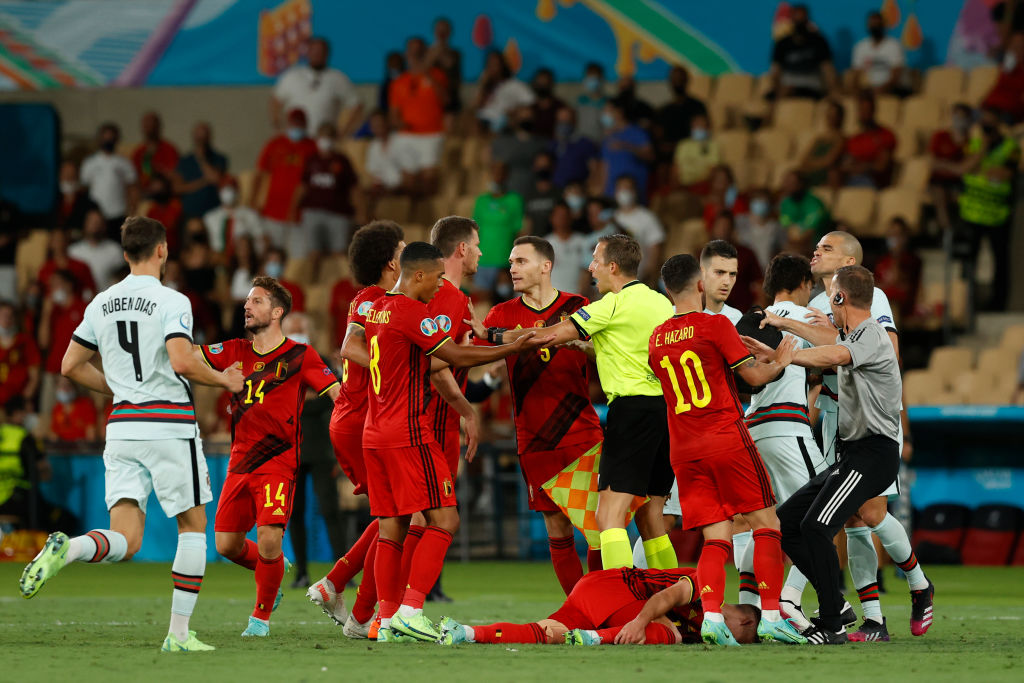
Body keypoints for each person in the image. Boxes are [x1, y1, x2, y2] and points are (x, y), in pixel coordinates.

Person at [20, 216, 244, 653]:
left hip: (121, 429)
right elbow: (181, 360)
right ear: (162, 250)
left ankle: (71, 550)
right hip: (168, 425)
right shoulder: (172, 299)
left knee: (126, 539)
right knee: (193, 526)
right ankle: (179, 635)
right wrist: (224, 380)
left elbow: (68, 365)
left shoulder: (100, 302)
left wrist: (118, 387)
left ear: (124, 254)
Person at [358, 241, 549, 642]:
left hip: (373, 433)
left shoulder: (373, 307)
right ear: (419, 275)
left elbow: (357, 348)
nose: (439, 287)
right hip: (408, 432)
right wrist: (511, 346)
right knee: (446, 518)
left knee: (391, 527)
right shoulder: (413, 311)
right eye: (437, 279)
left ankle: (386, 619)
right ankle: (411, 609)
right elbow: (455, 358)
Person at [765, 231, 932, 642]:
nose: (814, 253)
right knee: (809, 520)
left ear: (846, 268)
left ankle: (912, 587)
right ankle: (851, 611)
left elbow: (856, 351)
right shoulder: (822, 305)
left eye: (825, 248)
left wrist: (788, 350)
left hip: (872, 440)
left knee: (863, 517)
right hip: (840, 427)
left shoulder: (867, 303)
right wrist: (787, 329)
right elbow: (834, 351)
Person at [649, 254, 805, 646]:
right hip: (724, 438)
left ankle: (713, 618)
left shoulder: (655, 337)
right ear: (700, 284)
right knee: (767, 524)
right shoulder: (715, 324)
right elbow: (751, 376)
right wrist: (781, 362)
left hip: (684, 449)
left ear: (667, 290)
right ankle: (771, 614)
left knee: (716, 536)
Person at [503, 235, 676, 571]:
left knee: (608, 516)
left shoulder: (610, 304)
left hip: (631, 412)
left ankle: (619, 605)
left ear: (613, 266)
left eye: (596, 260)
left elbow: (548, 335)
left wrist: (490, 334)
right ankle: (677, 606)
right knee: (652, 517)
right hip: (664, 413)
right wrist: (584, 349)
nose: (590, 267)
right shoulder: (660, 303)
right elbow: (625, 348)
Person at [202, 277, 340, 637]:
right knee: (225, 545)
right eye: (247, 301)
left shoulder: (300, 356)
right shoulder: (232, 350)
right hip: (240, 461)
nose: (247, 306)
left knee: (268, 537)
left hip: (279, 461)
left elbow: (339, 396)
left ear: (277, 311)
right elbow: (186, 357)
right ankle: (274, 566)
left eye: (257, 301)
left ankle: (260, 618)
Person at [475, 236, 602, 594]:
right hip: (534, 436)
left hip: (581, 431)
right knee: (557, 526)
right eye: (512, 262)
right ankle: (580, 611)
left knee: (595, 528)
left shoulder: (578, 306)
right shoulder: (500, 314)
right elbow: (477, 357)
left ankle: (601, 604)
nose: (512, 268)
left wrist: (581, 342)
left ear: (546, 266)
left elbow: (604, 352)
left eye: (521, 262)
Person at [308, 221, 406, 636]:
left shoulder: (372, 298)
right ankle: (361, 605)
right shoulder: (374, 299)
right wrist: (395, 365)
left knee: (397, 515)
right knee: (398, 516)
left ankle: (354, 605)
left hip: (356, 416)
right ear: (390, 262)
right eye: (403, 249)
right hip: (361, 417)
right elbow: (350, 347)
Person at [737, 254, 827, 625]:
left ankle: (749, 607)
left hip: (752, 428)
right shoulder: (800, 316)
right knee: (826, 511)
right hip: (786, 429)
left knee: (761, 523)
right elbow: (841, 346)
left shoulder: (752, 318)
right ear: (804, 283)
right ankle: (790, 598)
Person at [439, 567, 758, 646]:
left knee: (547, 632)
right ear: (743, 623)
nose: (723, 639)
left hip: (590, 591)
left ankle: (466, 631)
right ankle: (595, 637)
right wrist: (637, 624)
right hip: (613, 589)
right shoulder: (706, 583)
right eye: (735, 638)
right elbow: (662, 599)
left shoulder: (703, 631)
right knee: (667, 631)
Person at [280, 313, 345, 589]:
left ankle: (344, 571)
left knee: (331, 510)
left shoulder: (322, 362)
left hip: (320, 449)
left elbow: (333, 402)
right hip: (292, 449)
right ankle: (302, 573)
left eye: (301, 328)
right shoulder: (279, 363)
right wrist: (314, 396)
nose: (297, 333)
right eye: (292, 329)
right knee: (294, 513)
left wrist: (300, 399)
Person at [956, 106, 1019, 313]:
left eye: (990, 124)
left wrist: (979, 169)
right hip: (971, 213)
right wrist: (983, 149)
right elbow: (965, 168)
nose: (986, 127)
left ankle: (997, 305)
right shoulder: (974, 143)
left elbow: (1005, 174)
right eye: (984, 123)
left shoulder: (1011, 147)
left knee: (1000, 263)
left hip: (997, 216)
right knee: (967, 263)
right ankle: (966, 303)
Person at [252, 108, 318, 249]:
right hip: (272, 211)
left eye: (299, 124)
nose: (296, 127)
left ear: (305, 125)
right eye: (293, 123)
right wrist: (254, 200)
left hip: (300, 215)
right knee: (270, 253)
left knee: (298, 257)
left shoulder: (312, 147)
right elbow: (259, 174)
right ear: (288, 124)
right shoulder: (274, 144)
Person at [292, 122, 357, 264]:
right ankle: (312, 284)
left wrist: (361, 211)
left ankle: (341, 284)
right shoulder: (311, 160)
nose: (325, 140)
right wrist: (293, 208)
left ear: (334, 139)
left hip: (338, 213)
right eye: (322, 136)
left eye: (328, 136)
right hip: (312, 212)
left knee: (338, 254)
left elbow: (354, 188)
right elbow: (303, 186)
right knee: (313, 253)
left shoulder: (343, 161)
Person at [389, 36, 448, 193]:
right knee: (407, 181)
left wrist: (426, 71)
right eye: (412, 51)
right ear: (406, 54)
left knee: (429, 181)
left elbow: (446, 100)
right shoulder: (399, 82)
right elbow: (394, 113)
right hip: (406, 136)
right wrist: (398, 123)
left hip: (431, 134)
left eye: (419, 52)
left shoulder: (437, 76)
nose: (415, 55)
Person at [272, 36, 363, 136]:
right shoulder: (292, 76)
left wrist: (343, 132)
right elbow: (275, 102)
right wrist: (279, 127)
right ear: (308, 52)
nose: (317, 55)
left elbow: (356, 105)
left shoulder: (338, 78)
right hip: (296, 141)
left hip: (323, 141)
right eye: (314, 51)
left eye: (321, 51)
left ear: (327, 54)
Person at [472, 162, 524, 296]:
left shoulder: (515, 200)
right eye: (495, 172)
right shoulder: (481, 201)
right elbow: (474, 232)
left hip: (505, 261)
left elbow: (519, 231)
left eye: (502, 173)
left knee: (506, 302)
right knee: (482, 305)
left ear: (507, 175)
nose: (498, 176)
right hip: (483, 260)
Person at [769, 3, 837, 99]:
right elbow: (775, 71)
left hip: (812, 87)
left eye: (802, 17)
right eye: (796, 17)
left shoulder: (818, 41)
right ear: (791, 19)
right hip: (787, 88)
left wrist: (832, 90)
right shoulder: (782, 44)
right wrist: (777, 89)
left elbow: (827, 69)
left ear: (807, 19)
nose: (799, 20)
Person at [80, 122, 137, 235]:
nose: (108, 140)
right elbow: (83, 188)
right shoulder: (89, 163)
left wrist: (132, 211)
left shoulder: (124, 163)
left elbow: (132, 188)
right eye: (105, 137)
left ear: (116, 139)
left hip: (118, 214)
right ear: (99, 139)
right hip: (96, 215)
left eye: (111, 138)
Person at [612, 176, 664, 285]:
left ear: (635, 191)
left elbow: (655, 250)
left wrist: (648, 277)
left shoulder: (647, 217)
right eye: (621, 189)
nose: (624, 192)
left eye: (628, 188)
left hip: (640, 280)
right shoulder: (611, 218)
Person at [928, 103, 972, 232]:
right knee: (940, 194)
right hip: (938, 180)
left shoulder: (970, 141)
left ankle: (962, 231)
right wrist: (955, 167)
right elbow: (933, 163)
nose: (959, 121)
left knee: (959, 195)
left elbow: (965, 168)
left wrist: (945, 164)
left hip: (960, 181)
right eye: (957, 117)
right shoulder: (940, 136)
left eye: (963, 118)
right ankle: (947, 231)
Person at [600, 99, 654, 201]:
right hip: (611, 194)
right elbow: (605, 167)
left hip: (634, 193)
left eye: (608, 111)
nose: (605, 114)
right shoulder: (608, 138)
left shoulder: (638, 133)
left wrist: (627, 146)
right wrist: (603, 191)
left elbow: (650, 156)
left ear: (619, 112)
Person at [491, 106, 549, 200]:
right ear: (517, 119)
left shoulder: (541, 143)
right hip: (508, 191)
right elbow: (497, 167)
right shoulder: (502, 142)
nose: (526, 120)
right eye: (523, 117)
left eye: (529, 118)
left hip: (533, 192)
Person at [654, 65, 708, 164]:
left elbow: (702, 132)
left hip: (692, 153)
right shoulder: (664, 110)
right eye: (674, 79)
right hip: (668, 156)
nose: (677, 81)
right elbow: (658, 136)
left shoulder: (697, 106)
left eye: (680, 78)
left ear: (687, 80)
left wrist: (681, 147)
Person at [174, 122, 228, 220]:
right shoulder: (184, 161)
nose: (201, 141)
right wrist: (203, 181)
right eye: (199, 137)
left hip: (214, 212)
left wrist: (201, 158)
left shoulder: (219, 158)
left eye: (204, 137)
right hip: (190, 214)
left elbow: (215, 179)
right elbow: (178, 188)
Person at [708, 218, 763, 314]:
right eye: (720, 227)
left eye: (726, 227)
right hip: (712, 315)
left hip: (742, 313)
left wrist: (758, 312)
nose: (723, 230)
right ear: (713, 229)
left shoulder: (746, 254)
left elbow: (759, 284)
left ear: (733, 229)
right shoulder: (703, 255)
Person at [841, 92, 896, 188]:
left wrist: (861, 166)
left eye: (867, 109)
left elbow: (881, 167)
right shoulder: (854, 139)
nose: (865, 113)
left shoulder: (885, 135)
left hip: (872, 181)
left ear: (874, 110)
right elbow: (845, 165)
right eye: (862, 110)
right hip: (849, 179)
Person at [474, 50, 535, 133]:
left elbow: (531, 102)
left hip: (500, 122)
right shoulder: (485, 85)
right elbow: (474, 106)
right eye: (489, 65)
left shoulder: (514, 85)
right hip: (481, 119)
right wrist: (482, 85)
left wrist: (514, 111)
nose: (492, 69)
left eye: (495, 65)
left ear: (503, 66)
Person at [874, 217, 922, 321]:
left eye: (897, 234)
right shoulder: (882, 260)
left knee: (891, 309)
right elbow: (876, 286)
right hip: (881, 304)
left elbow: (898, 280)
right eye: (891, 234)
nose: (894, 239)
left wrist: (896, 256)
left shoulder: (911, 260)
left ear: (905, 237)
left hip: (901, 307)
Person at [202, 177, 264, 255]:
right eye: (224, 188)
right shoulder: (209, 217)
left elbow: (260, 238)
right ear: (218, 191)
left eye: (231, 188)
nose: (228, 192)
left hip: (243, 259)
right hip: (217, 259)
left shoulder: (250, 214)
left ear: (238, 191)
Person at [851, 11, 907, 95]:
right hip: (869, 89)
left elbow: (896, 76)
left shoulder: (894, 45)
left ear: (883, 26)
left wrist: (880, 90)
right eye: (872, 25)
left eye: (878, 25)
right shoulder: (860, 47)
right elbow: (856, 75)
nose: (875, 27)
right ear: (868, 26)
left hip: (892, 89)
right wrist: (855, 89)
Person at [69, 209, 124, 291]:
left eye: (98, 222)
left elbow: (122, 279)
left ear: (104, 225)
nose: (95, 225)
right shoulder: (73, 251)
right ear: (85, 224)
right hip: (81, 301)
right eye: (92, 221)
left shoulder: (114, 250)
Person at [365, 109, 416, 194]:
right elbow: (374, 173)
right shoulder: (373, 147)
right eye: (374, 125)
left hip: (401, 189)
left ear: (387, 123)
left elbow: (409, 174)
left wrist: (397, 188)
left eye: (379, 124)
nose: (377, 127)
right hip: (384, 190)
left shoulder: (401, 141)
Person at [779, 170, 831, 255]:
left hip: (815, 244)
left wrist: (796, 245)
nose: (788, 186)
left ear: (801, 184)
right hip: (793, 244)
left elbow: (810, 231)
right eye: (786, 182)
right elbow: (785, 225)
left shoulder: (814, 203)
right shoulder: (785, 203)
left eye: (792, 183)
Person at [797, 99, 845, 188]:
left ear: (840, 118)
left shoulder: (840, 139)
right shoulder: (819, 138)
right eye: (829, 114)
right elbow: (804, 159)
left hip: (823, 176)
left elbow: (829, 161)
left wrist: (811, 164)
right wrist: (814, 164)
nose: (831, 118)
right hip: (810, 173)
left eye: (834, 115)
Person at [0, 302, 40, 410]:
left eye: (10, 316)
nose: (6, 320)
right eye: (3, 315)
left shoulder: (25, 341)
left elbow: (34, 376)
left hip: (18, 401)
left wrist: (24, 401)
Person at [736, 189, 785, 271]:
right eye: (758, 200)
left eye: (764, 202)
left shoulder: (776, 227)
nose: (761, 204)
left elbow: (783, 249)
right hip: (744, 270)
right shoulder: (740, 222)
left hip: (766, 271)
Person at [551, 106, 600, 189]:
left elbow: (595, 169)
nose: (563, 124)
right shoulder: (552, 144)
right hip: (556, 189)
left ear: (574, 121)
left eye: (567, 121)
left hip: (578, 190)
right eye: (561, 121)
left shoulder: (585, 143)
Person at [545, 203, 588, 294]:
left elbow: (587, 272)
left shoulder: (583, 241)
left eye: (565, 215)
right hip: (553, 301)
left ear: (571, 217)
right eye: (559, 215)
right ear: (551, 218)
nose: (562, 219)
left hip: (577, 299)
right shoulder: (544, 244)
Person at [982, 31, 1024, 123]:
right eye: (1013, 44)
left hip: (1008, 111)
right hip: (990, 106)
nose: (1015, 48)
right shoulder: (1006, 66)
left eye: (1019, 45)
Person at [672, 113, 719, 194]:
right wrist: (676, 186)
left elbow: (713, 168)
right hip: (684, 185)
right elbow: (676, 167)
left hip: (704, 185)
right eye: (696, 125)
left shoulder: (713, 146)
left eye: (701, 125)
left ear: (707, 128)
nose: (698, 128)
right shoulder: (683, 144)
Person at [131, 111, 180, 189]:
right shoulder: (138, 152)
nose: (149, 128)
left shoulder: (169, 149)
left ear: (158, 126)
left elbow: (175, 175)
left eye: (152, 124)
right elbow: (136, 178)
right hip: (145, 194)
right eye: (146, 125)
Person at [426, 17, 462, 120]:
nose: (441, 33)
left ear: (450, 32)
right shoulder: (427, 52)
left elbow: (449, 64)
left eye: (444, 30)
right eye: (439, 30)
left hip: (450, 99)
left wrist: (441, 50)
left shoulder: (456, 54)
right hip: (430, 98)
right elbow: (423, 70)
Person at [700, 240, 742, 324]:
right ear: (702, 273)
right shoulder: (672, 315)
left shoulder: (737, 318)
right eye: (720, 272)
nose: (727, 282)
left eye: (732, 274)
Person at [48, 376, 98, 442]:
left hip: (82, 449)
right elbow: (53, 436)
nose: (65, 389)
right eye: (61, 385)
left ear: (74, 386)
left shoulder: (86, 405)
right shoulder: (56, 409)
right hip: (63, 449)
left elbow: (91, 436)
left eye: (68, 385)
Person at [523, 152, 561, 235]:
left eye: (546, 166)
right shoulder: (527, 195)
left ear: (553, 167)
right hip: (535, 243)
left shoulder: (559, 193)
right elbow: (525, 224)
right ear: (534, 167)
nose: (543, 169)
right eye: (540, 166)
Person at [56, 160, 99, 231]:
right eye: (66, 174)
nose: (69, 178)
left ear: (78, 177)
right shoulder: (50, 203)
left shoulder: (90, 205)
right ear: (59, 176)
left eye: (72, 175)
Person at [530, 67, 566, 139]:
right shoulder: (530, 109)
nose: (542, 84)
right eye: (539, 82)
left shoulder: (560, 107)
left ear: (550, 84)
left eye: (544, 82)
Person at [575, 62, 607, 143]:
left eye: (595, 78)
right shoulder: (580, 101)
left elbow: (608, 126)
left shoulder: (607, 103)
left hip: (599, 143)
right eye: (589, 77)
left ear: (601, 79)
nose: (592, 81)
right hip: (580, 142)